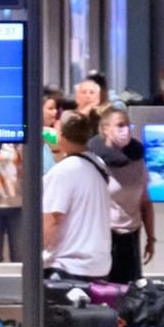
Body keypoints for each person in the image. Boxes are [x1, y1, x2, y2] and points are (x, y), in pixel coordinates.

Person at [42, 113, 113, 280]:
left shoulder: (62, 172)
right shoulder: (98, 164)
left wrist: (34, 259)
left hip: (66, 268)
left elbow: (52, 219)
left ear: (61, 135)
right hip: (99, 267)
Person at [91, 107, 154, 281]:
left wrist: (151, 238)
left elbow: (145, 203)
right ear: (105, 129)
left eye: (127, 125)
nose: (124, 130)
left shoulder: (137, 160)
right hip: (104, 237)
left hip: (131, 236)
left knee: (131, 294)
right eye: (119, 125)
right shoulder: (96, 162)